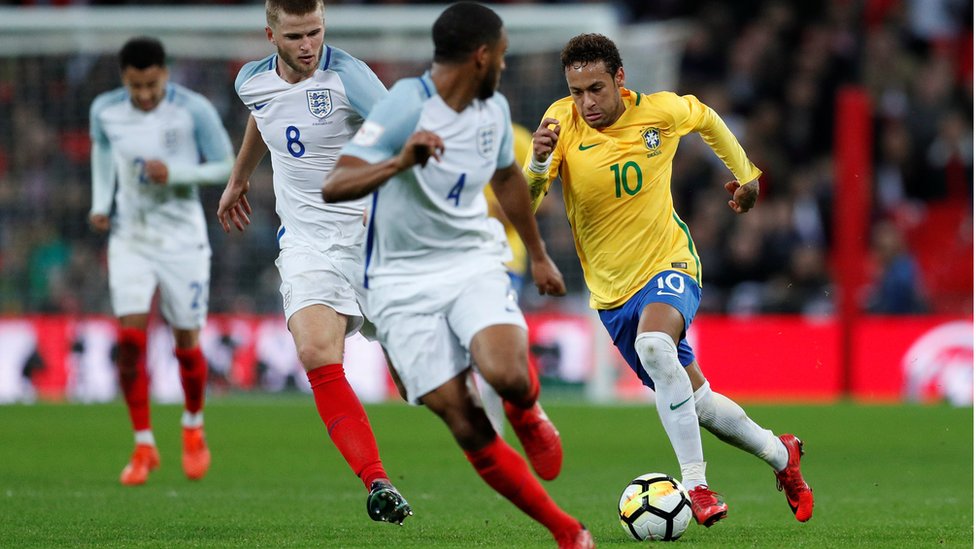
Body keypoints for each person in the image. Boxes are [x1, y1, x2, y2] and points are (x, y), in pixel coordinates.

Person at [321, 3, 592, 548]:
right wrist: (399, 161)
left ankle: (528, 408)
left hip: (470, 259)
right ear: (481, 55)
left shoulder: (491, 109)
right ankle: (567, 532)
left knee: (507, 374)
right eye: (504, 55)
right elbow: (335, 185)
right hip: (399, 282)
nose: (506, 66)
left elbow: (507, 176)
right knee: (464, 419)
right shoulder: (405, 106)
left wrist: (537, 254)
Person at [524, 33, 814, 526]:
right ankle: (783, 456)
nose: (586, 102)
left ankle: (696, 486)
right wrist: (535, 161)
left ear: (620, 79)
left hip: (670, 263)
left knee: (656, 347)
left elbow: (705, 116)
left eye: (596, 89)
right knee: (697, 403)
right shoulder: (560, 123)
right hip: (612, 292)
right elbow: (526, 203)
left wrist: (747, 177)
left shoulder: (659, 112)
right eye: (576, 91)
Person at [215, 0, 411, 525]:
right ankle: (377, 482)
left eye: (316, 33)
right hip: (306, 243)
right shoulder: (249, 81)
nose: (309, 46)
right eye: (297, 36)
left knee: (419, 385)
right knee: (316, 352)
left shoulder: (351, 77)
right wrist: (239, 178)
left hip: (373, 243)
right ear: (270, 35)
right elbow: (266, 115)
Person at [88, 36, 234, 485]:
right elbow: (103, 150)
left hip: (182, 239)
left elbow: (226, 165)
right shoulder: (105, 110)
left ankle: (193, 427)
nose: (145, 95)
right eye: (136, 87)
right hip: (131, 236)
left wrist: (178, 174)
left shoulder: (194, 109)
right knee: (129, 341)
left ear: (165, 74)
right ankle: (143, 444)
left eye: (152, 84)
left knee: (186, 343)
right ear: (124, 80)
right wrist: (101, 202)